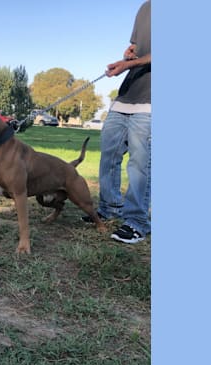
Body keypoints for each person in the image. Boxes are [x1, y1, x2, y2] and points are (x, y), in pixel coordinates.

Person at [84, 0, 151, 244]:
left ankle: (137, 222)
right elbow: (136, 47)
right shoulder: (145, 8)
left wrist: (129, 64)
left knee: (140, 164)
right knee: (109, 155)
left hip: (151, 101)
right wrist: (129, 54)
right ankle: (110, 207)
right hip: (126, 96)